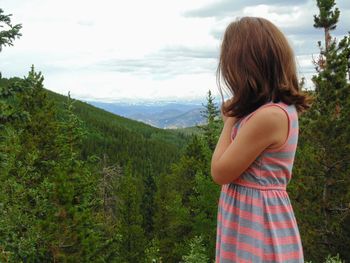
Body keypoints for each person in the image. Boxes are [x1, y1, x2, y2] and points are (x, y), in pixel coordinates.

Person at [211, 16, 313, 263]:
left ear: (245, 66)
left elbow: (220, 171)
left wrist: (229, 120)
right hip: (249, 221)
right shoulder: (269, 111)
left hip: (258, 225)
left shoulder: (270, 116)